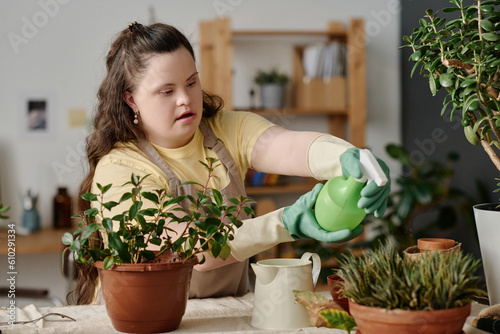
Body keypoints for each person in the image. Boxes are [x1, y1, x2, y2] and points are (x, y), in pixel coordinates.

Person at [70, 21, 391, 304]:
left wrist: (352, 159)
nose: (185, 98)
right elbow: (190, 249)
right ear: (131, 99)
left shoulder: (224, 128)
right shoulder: (120, 169)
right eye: (167, 91)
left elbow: (288, 145)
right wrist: (285, 222)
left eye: (191, 82)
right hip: (143, 319)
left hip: (221, 309)